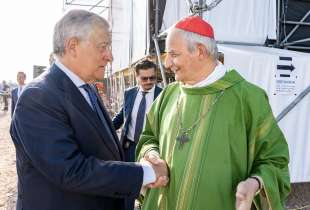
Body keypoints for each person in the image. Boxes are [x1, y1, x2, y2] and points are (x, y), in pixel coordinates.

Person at [10, 9, 168, 210]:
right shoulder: (38, 97)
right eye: (103, 47)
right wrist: (144, 173)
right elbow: (70, 170)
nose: (109, 56)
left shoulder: (87, 87)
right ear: (73, 46)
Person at [136, 16, 290, 210]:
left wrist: (255, 183)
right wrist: (152, 156)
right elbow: (149, 137)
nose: (167, 63)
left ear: (200, 51)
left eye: (174, 54)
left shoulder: (248, 98)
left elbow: (275, 160)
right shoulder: (168, 94)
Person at [113, 59, 162, 162]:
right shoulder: (129, 93)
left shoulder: (162, 95)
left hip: (152, 149)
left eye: (152, 78)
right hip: (129, 148)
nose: (149, 81)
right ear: (137, 77)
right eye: (144, 78)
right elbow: (121, 117)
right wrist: (104, 129)